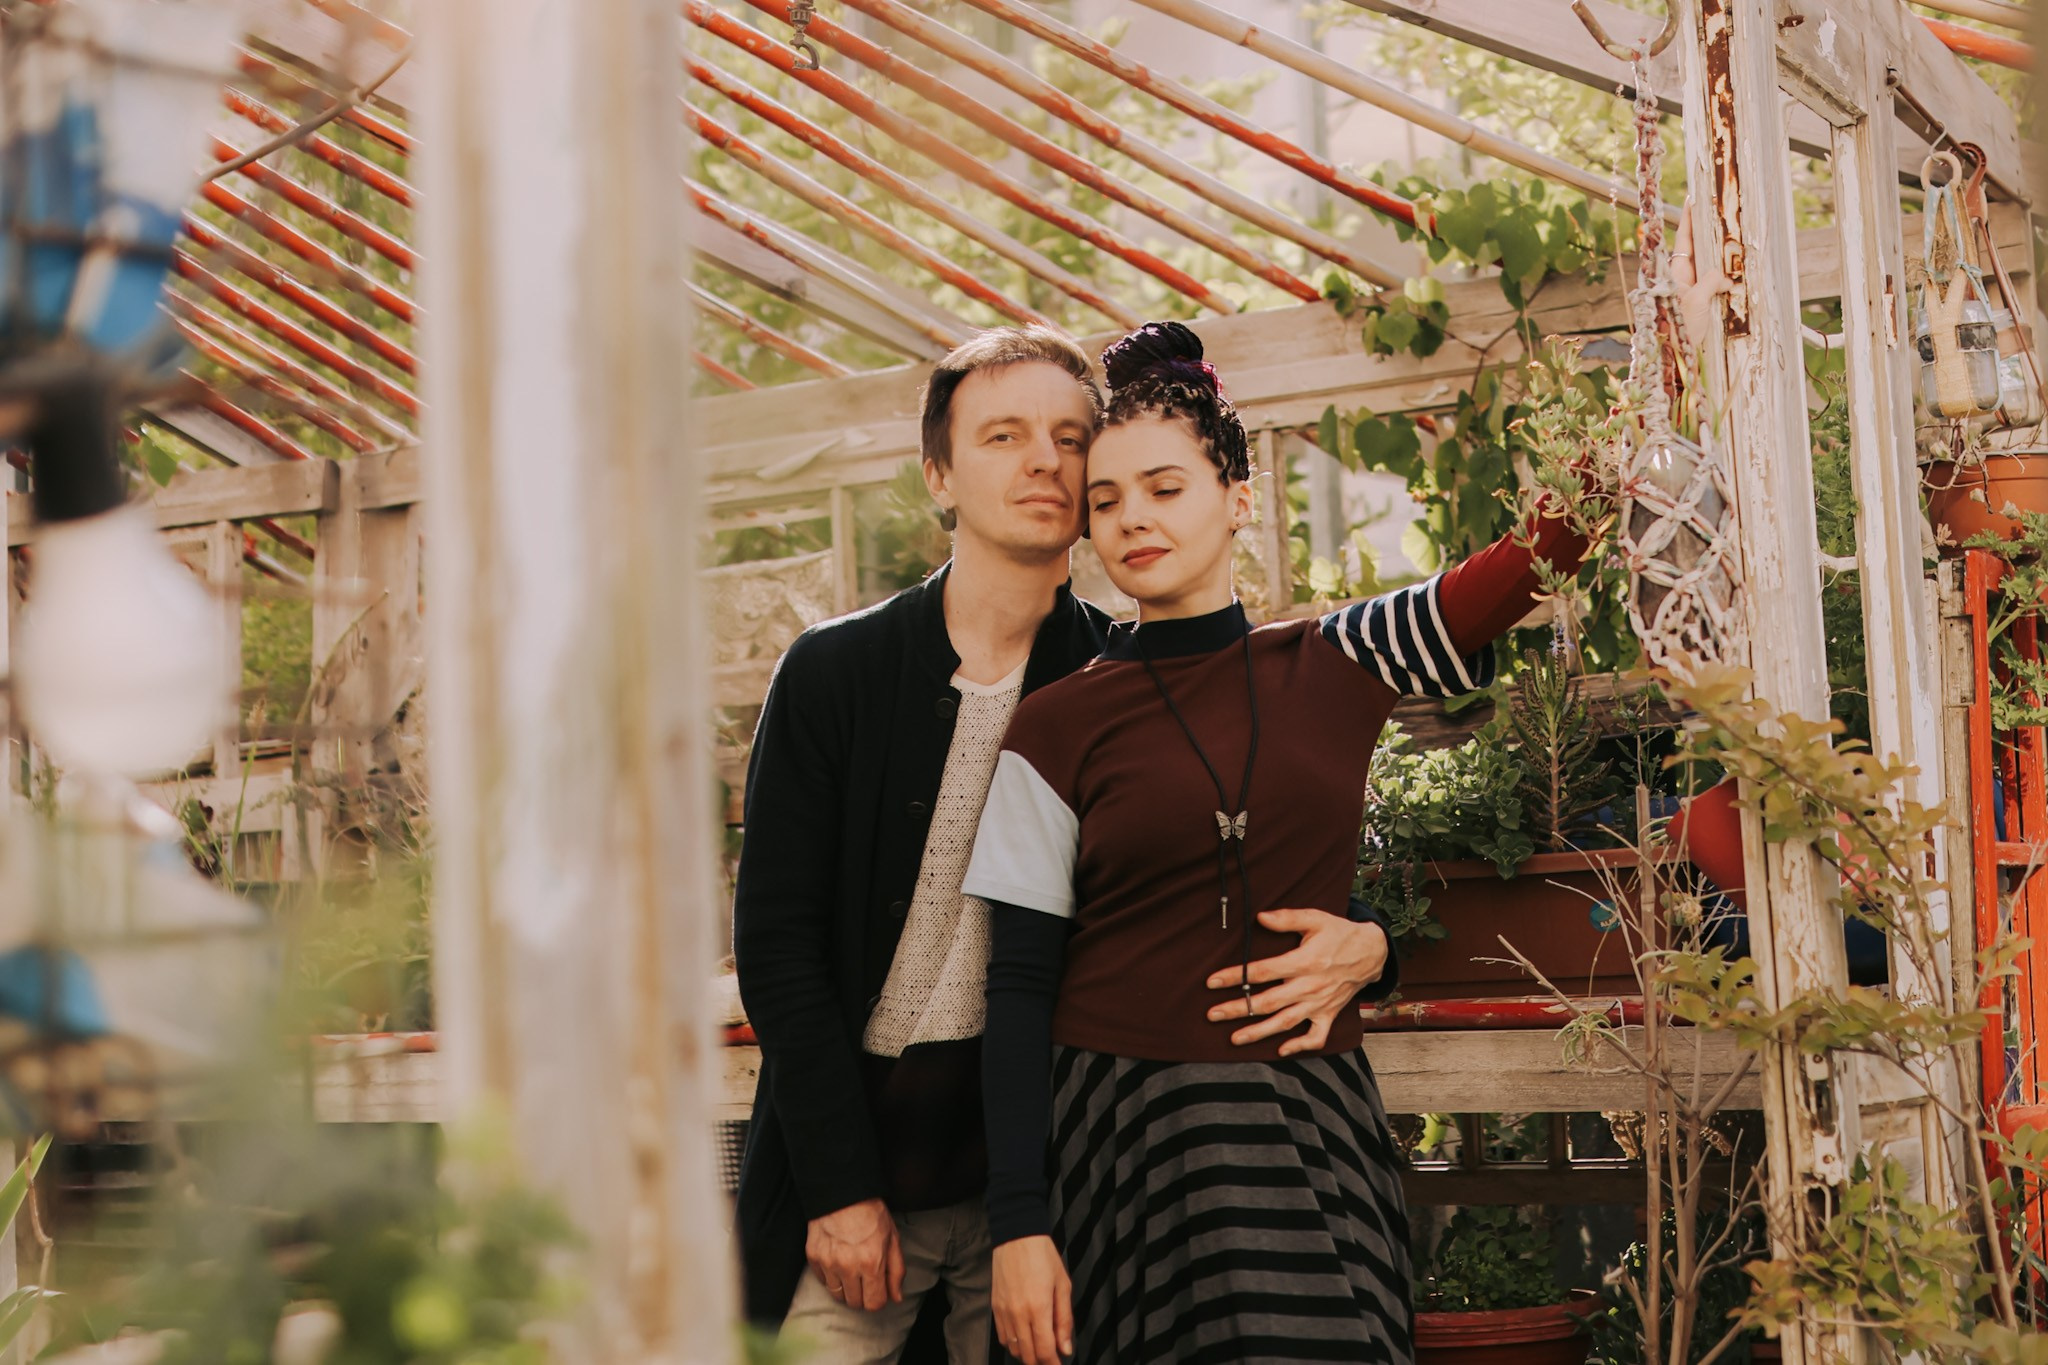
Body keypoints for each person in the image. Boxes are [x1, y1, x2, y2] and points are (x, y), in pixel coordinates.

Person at [731, 325, 1400, 1363]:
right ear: (938, 476)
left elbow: (1243, 851)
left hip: (1052, 1178)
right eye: (1002, 435)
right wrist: (837, 1186)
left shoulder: (1125, 678)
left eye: (1065, 436)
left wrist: (1372, 943)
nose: (1043, 459)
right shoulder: (832, 674)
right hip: (858, 1169)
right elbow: (775, 948)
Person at [964, 321, 1591, 1365]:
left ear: (1236, 498)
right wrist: (1017, 1224)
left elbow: (1527, 567)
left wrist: (1621, 453)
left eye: (1163, 489)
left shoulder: (1334, 658)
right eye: (1105, 502)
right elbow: (1016, 990)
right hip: (1125, 1139)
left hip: (1306, 1125)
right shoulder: (1053, 726)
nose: (1132, 522)